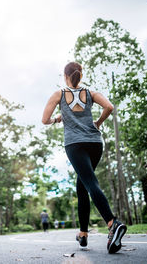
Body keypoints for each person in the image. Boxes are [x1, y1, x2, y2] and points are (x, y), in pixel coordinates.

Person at [41, 62, 127, 254]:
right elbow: (109, 107)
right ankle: (83, 234)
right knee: (82, 186)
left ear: (65, 76)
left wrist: (57, 119)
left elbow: (45, 120)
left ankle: (112, 223)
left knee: (90, 182)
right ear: (80, 75)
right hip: (95, 144)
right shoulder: (91, 93)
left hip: (75, 144)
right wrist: (98, 122)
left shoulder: (59, 94)